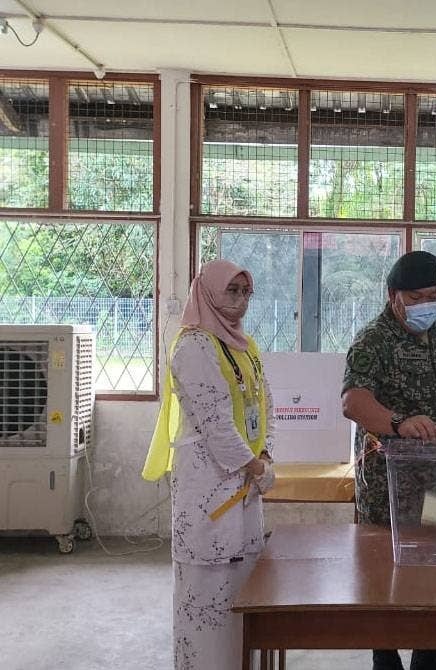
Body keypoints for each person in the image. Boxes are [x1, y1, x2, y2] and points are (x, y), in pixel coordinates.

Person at [142, 259, 276, 670]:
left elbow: (263, 404)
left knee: (241, 589)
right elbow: (215, 422)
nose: (239, 302)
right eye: (230, 292)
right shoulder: (193, 346)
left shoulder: (244, 345)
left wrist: (265, 453)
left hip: (246, 482)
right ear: (207, 292)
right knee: (206, 593)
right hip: (209, 483)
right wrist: (255, 467)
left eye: (245, 293)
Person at [342, 250, 436, 670]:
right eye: (416, 298)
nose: (426, 305)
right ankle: (386, 658)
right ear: (393, 295)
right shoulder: (372, 341)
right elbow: (353, 402)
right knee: (385, 580)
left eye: (433, 295)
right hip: (391, 491)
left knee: (435, 571)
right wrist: (399, 422)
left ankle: (431, 657)